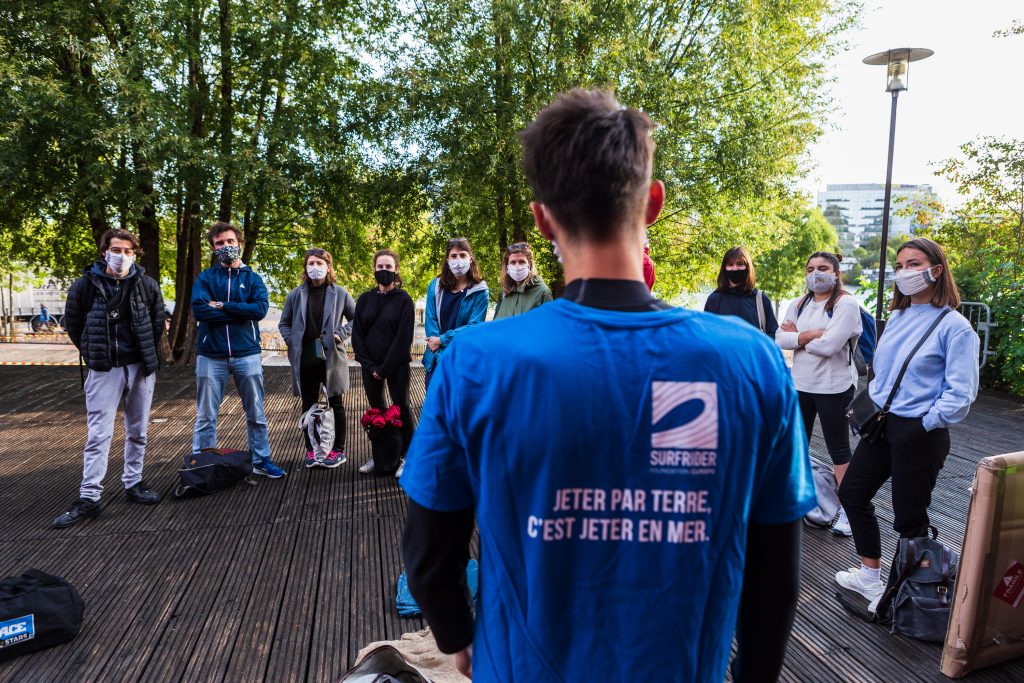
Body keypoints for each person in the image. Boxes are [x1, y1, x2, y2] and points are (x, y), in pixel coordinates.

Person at [400, 89, 815, 682]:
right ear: (653, 204)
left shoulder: (476, 362)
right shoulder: (748, 361)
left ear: (542, 219)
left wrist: (456, 635)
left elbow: (429, 552)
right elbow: (776, 573)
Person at [835, 237, 979, 611]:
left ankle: (906, 594)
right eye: (899, 266)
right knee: (852, 492)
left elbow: (960, 394)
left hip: (921, 432)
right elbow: (882, 370)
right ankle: (870, 576)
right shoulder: (897, 316)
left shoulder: (955, 327)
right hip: (883, 425)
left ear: (936, 269)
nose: (904, 273)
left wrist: (925, 422)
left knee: (908, 516)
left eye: (914, 264)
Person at [54, 229, 165, 528]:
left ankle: (134, 482)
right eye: (117, 249)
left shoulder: (146, 284)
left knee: (138, 431)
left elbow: (156, 323)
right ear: (104, 251)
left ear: (135, 253)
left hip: (139, 367)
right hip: (104, 369)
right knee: (99, 434)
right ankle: (89, 496)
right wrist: (94, 351)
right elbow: (74, 324)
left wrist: (143, 354)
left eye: (129, 251)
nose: (123, 255)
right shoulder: (85, 285)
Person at [776, 252, 862, 536]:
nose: (816, 273)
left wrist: (799, 336)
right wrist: (812, 334)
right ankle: (799, 502)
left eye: (823, 268)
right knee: (797, 446)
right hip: (800, 384)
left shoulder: (845, 304)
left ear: (836, 273)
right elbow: (780, 339)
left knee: (839, 451)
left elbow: (829, 346)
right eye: (810, 268)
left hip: (833, 387)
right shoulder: (799, 303)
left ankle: (851, 513)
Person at [191, 221, 285, 478]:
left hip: (247, 353)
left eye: (230, 242)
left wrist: (221, 306)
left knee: (256, 412)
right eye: (220, 243)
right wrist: (237, 311)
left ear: (239, 244)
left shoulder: (253, 279)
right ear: (213, 247)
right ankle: (201, 464)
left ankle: (261, 459)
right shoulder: (206, 278)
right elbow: (199, 310)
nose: (226, 247)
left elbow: (259, 310)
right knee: (206, 415)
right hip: (211, 355)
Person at [279, 248, 356, 468]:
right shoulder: (295, 295)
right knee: (308, 404)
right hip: (306, 358)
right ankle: (312, 450)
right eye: (311, 263)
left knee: (336, 403)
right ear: (305, 267)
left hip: (331, 358)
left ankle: (337, 450)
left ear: (328, 267)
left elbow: (356, 318)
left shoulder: (340, 293)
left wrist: (340, 335)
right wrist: (291, 340)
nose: (315, 267)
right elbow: (284, 323)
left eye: (320, 263)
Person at [351, 249, 417, 476]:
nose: (384, 271)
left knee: (402, 408)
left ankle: (408, 456)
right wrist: (369, 365)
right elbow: (357, 335)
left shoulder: (404, 300)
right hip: (370, 366)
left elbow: (403, 338)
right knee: (377, 410)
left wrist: (384, 368)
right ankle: (381, 455)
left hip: (396, 364)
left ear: (396, 270)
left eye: (388, 267)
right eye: (380, 267)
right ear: (374, 269)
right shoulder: (365, 299)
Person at [422, 237, 488, 390]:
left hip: (463, 360)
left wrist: (442, 339)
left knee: (460, 409)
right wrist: (440, 351)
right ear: (447, 259)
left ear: (470, 258)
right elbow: (430, 320)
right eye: (453, 256)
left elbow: (473, 327)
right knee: (435, 406)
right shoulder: (435, 286)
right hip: (436, 360)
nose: (458, 260)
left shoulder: (480, 291)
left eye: (462, 255)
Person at [704, 246, 778, 335]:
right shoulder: (714, 299)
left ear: (747, 267)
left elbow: (773, 335)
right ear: (724, 268)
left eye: (739, 264)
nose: (735, 268)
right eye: (730, 264)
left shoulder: (760, 299)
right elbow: (706, 334)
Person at [492, 242, 552, 319]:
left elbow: (550, 327)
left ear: (529, 264)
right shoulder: (504, 293)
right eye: (513, 262)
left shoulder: (543, 293)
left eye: (522, 262)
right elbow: (496, 324)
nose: (517, 266)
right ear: (507, 266)